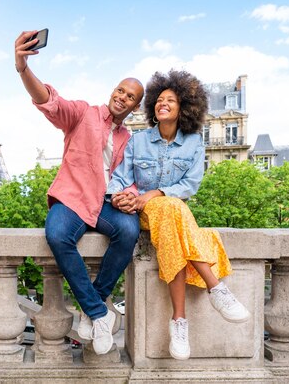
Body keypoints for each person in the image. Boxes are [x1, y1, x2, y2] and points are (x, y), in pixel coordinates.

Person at [14, 31, 144, 355]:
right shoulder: (83, 113)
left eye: (130, 97)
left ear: (135, 106)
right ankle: (100, 313)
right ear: (113, 91)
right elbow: (48, 100)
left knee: (129, 230)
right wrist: (22, 68)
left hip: (105, 203)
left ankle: (91, 304)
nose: (122, 97)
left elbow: (130, 179)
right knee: (57, 234)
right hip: (73, 198)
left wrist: (131, 196)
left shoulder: (129, 140)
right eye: (120, 90)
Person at [107, 69, 250, 361]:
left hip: (170, 211)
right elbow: (120, 178)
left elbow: (189, 185)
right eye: (159, 100)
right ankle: (216, 289)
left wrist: (155, 193)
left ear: (183, 107)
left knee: (172, 212)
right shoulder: (138, 141)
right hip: (144, 212)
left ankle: (179, 322)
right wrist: (118, 196)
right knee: (172, 210)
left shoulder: (194, 142)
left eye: (170, 100)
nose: (163, 103)